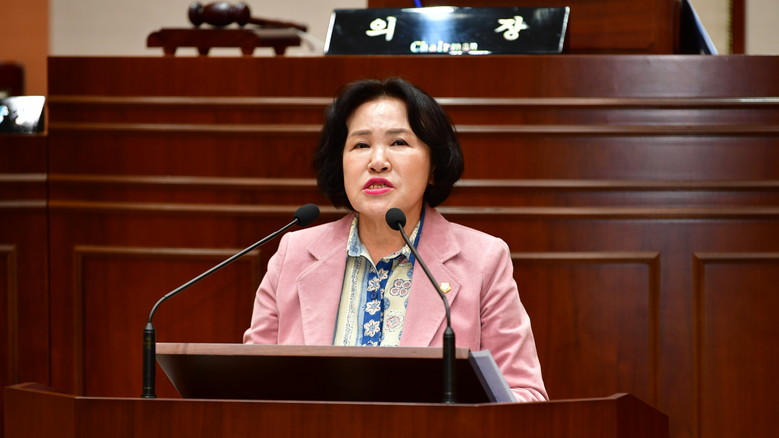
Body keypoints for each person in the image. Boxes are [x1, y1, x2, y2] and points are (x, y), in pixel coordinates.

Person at [243, 77, 547, 402]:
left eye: (398, 142)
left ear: (434, 166)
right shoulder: (293, 255)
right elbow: (249, 388)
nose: (377, 161)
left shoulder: (483, 260)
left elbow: (525, 396)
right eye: (360, 145)